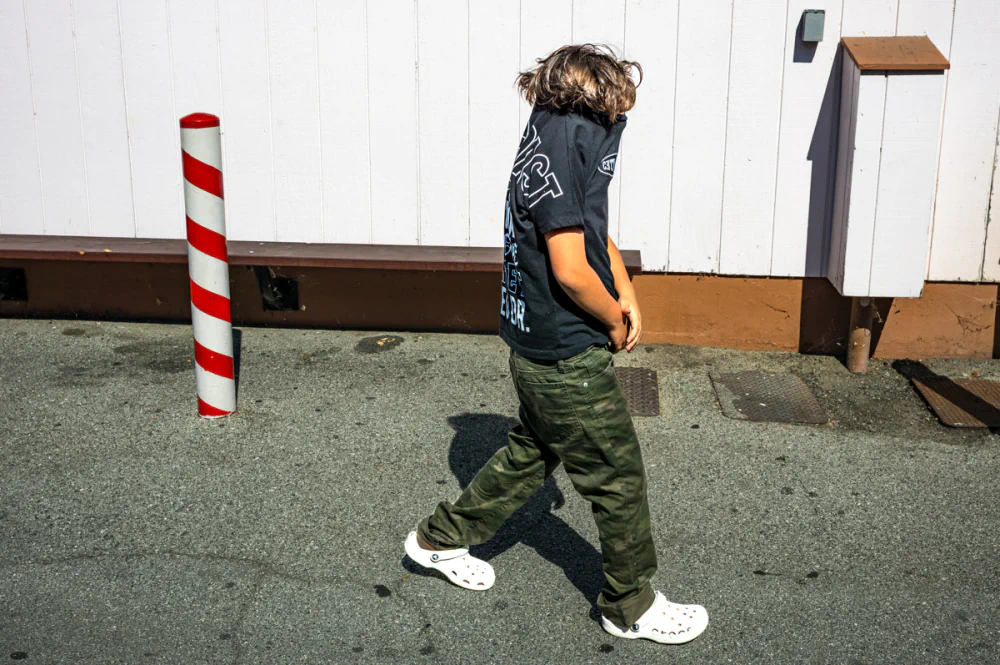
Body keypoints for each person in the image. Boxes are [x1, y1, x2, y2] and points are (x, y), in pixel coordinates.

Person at [404, 44, 708, 645]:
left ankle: (437, 540)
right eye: (612, 113)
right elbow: (569, 270)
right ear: (589, 102)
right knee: (617, 478)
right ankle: (630, 605)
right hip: (567, 356)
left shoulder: (550, 128)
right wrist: (614, 321)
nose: (617, 126)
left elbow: (589, 225)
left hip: (536, 344)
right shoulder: (571, 139)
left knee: (533, 452)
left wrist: (624, 287)